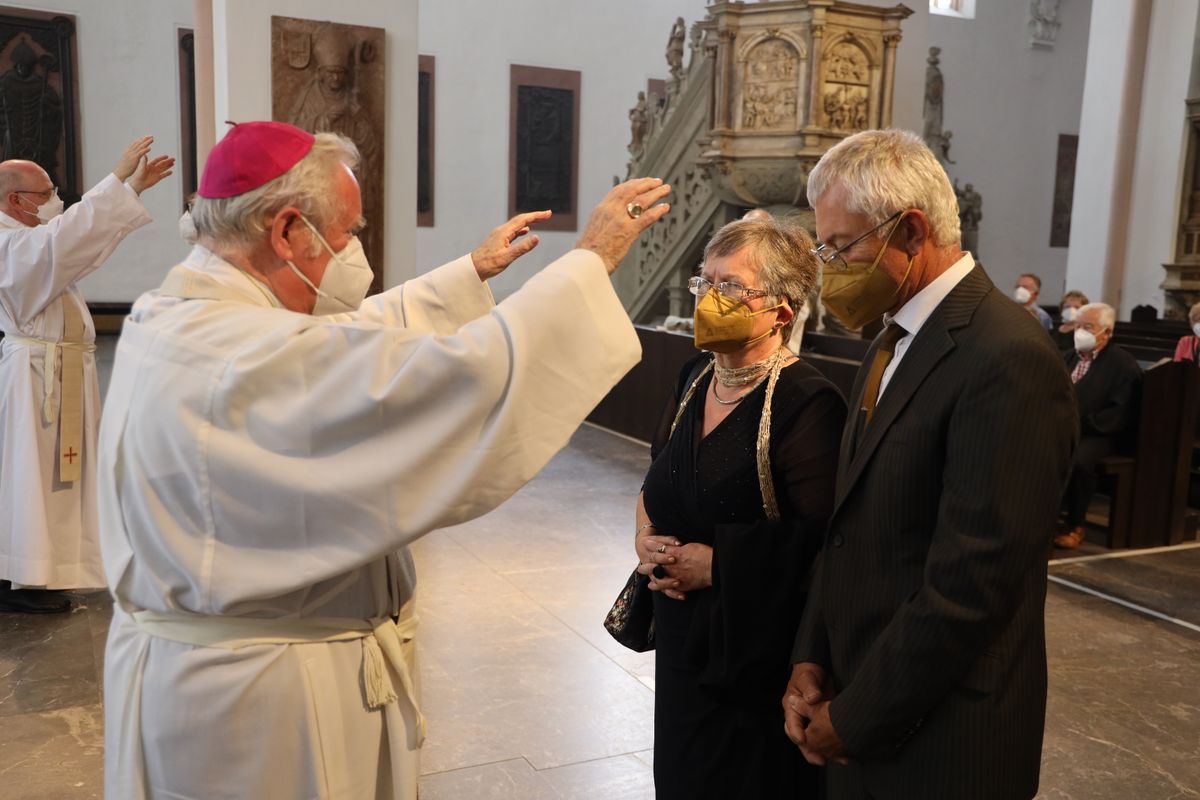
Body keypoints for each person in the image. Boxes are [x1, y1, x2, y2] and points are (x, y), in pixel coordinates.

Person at [98, 121, 671, 800]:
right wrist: (589, 262)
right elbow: (455, 377)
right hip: (265, 709)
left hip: (209, 675)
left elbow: (341, 343)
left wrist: (468, 275)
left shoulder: (179, 315)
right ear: (285, 231)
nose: (352, 250)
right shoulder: (247, 356)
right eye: (347, 231)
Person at [782, 129, 1077, 799]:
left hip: (944, 741)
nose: (831, 267)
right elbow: (850, 525)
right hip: (862, 702)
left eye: (844, 246)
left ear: (911, 231)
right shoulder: (891, 339)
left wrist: (854, 716)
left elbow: (972, 584)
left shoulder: (1007, 358)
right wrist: (811, 654)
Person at [636, 217, 847, 799]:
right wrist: (645, 536)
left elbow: (824, 541)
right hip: (682, 636)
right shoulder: (694, 374)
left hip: (753, 646)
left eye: (729, 287)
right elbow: (658, 477)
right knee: (681, 777)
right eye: (704, 283)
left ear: (781, 310)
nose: (708, 298)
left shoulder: (809, 402)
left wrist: (720, 563)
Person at [0, 136, 173, 614]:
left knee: (54, 477)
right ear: (15, 200)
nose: (56, 199)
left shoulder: (31, 241)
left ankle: (49, 570)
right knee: (32, 477)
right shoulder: (10, 244)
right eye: (46, 192)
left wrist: (127, 191)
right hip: (34, 378)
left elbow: (79, 247)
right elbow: (64, 241)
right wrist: (117, 182)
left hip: (56, 371)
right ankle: (21, 577)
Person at [1054, 303, 1141, 549]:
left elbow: (1120, 412)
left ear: (1107, 332)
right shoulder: (1068, 357)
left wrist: (1082, 425)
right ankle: (1041, 519)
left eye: (1088, 327)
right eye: (1077, 325)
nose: (1079, 331)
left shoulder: (1122, 364)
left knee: (1080, 460)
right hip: (1065, 428)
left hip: (1101, 433)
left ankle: (1075, 524)